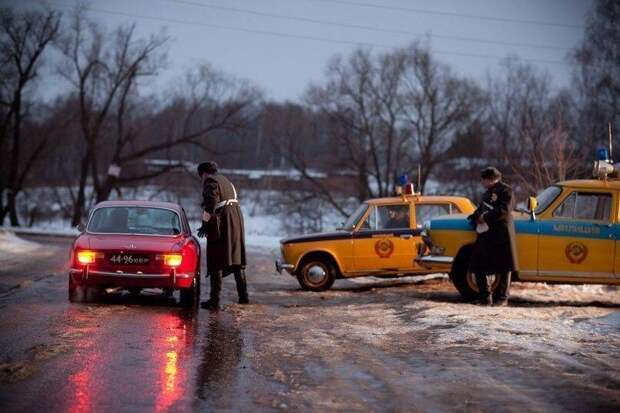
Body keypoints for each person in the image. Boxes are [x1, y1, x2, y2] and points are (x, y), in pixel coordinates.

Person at [196, 161, 249, 310]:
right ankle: (243, 297)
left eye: (201, 176)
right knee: (236, 258)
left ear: (204, 173)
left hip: (222, 221)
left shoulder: (210, 181)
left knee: (216, 258)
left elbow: (210, 205)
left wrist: (205, 224)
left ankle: (214, 301)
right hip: (236, 219)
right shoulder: (226, 181)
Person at [467, 167, 518, 306]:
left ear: (491, 179)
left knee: (504, 266)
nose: (482, 182)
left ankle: (502, 298)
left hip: (501, 233)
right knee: (478, 264)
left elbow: (504, 210)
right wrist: (475, 216)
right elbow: (481, 208)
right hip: (486, 234)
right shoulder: (487, 193)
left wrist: (486, 216)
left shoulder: (507, 191)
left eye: (483, 180)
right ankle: (485, 297)